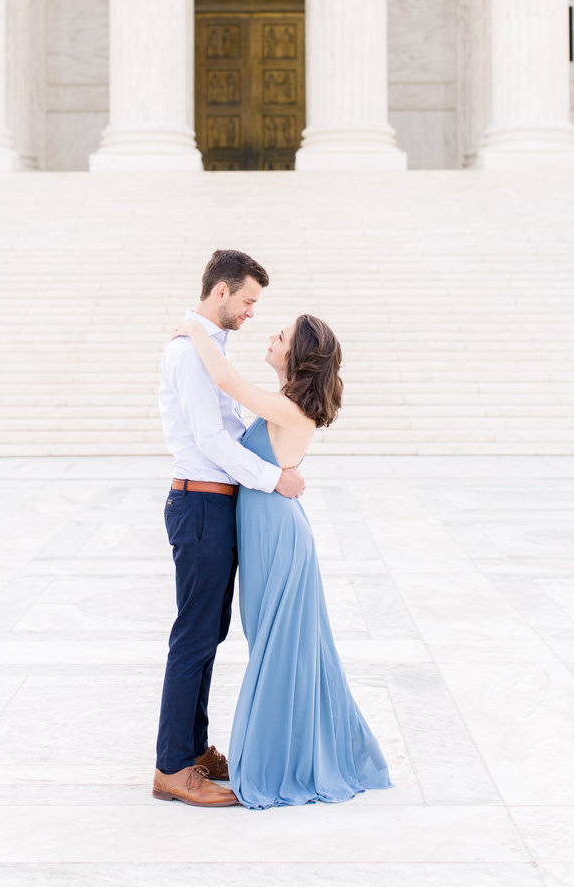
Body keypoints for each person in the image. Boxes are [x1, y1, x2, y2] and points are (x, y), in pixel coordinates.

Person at [171, 311, 392, 808]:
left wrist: (195, 330)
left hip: (278, 539)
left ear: (300, 356)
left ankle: (279, 762)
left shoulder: (289, 409)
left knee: (276, 649)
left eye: (282, 336)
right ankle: (292, 751)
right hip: (269, 533)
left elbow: (224, 377)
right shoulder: (283, 406)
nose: (271, 337)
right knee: (274, 644)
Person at [153, 249, 306, 808]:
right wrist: (274, 478)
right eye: (246, 300)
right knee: (193, 636)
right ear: (221, 292)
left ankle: (192, 748)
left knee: (208, 632)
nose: (250, 312)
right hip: (199, 505)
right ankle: (172, 766)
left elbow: (230, 423)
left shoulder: (208, 349)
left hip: (214, 506)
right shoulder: (190, 354)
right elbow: (212, 442)